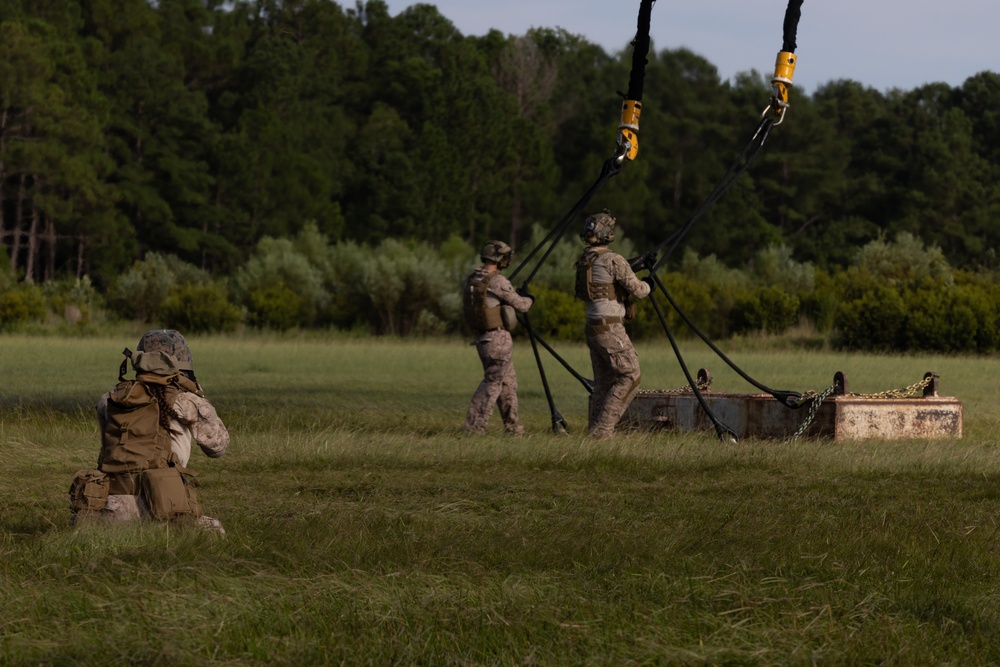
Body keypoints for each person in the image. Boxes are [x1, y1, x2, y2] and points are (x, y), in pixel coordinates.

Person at [68, 330, 230, 533]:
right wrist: (200, 399)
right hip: (162, 505)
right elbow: (217, 448)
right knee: (214, 531)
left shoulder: (109, 399)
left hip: (108, 508)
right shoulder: (186, 401)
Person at [575, 210, 654, 438]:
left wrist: (636, 263)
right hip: (610, 328)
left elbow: (610, 274)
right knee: (631, 375)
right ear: (608, 233)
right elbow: (639, 291)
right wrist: (649, 284)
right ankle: (603, 430)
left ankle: (594, 430)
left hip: (592, 328)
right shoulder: (613, 260)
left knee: (604, 383)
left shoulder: (586, 260)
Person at [463, 240, 535, 434]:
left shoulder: (472, 279)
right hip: (497, 340)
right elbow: (522, 306)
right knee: (493, 381)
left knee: (508, 383)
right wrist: (529, 297)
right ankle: (474, 427)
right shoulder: (498, 281)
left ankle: (512, 427)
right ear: (500, 259)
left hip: (482, 339)